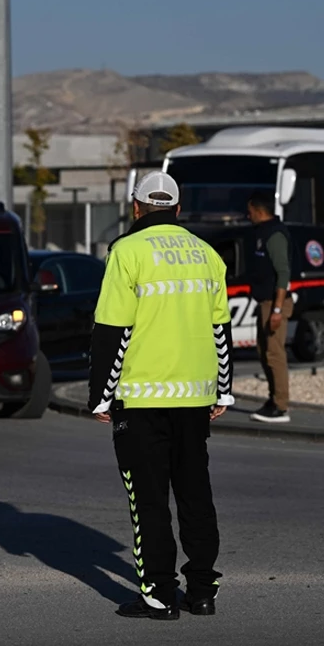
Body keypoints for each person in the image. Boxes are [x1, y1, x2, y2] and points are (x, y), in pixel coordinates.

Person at [87, 171, 235, 620]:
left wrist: (101, 396)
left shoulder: (126, 252)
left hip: (142, 397)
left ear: (136, 208)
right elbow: (220, 329)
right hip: (194, 398)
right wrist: (223, 390)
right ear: (178, 207)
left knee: (148, 499)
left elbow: (113, 329)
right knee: (195, 493)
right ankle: (203, 591)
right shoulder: (207, 255)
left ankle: (158, 595)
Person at [246, 191, 293, 423]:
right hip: (264, 301)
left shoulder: (274, 234)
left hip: (275, 303)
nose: (248, 215)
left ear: (259, 210)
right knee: (263, 352)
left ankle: (281, 406)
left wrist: (276, 310)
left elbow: (283, 273)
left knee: (275, 354)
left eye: (250, 211)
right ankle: (273, 398)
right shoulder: (260, 233)